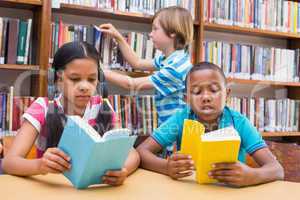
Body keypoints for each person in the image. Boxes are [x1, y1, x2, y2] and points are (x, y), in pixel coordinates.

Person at [2, 41, 140, 186]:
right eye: (75, 79)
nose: (84, 87)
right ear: (57, 80)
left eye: (92, 79)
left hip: (94, 191)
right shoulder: (41, 107)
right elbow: (9, 163)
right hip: (51, 190)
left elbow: (133, 154)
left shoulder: (102, 106)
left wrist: (123, 171)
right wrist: (39, 165)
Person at [137, 62, 284, 187]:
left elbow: (277, 170)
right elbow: (142, 151)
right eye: (196, 91)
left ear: (227, 94)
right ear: (186, 98)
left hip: (228, 192)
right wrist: (166, 167)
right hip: (190, 191)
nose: (206, 97)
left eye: (214, 90)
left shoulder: (240, 123)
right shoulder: (181, 118)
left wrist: (251, 176)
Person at [99, 6, 194, 126]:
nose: (150, 34)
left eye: (155, 29)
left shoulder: (175, 68)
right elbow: (137, 62)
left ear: (172, 32)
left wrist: (98, 70)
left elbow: (131, 84)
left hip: (176, 129)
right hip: (168, 124)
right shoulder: (171, 58)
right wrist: (118, 37)